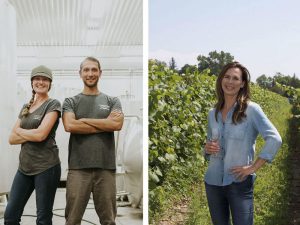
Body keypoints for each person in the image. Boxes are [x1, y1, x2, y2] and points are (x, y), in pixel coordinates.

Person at [204, 61, 282, 225]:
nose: (230, 82)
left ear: (242, 84)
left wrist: (253, 167)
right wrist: (207, 148)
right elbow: (208, 144)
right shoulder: (213, 113)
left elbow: (274, 138)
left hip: (238, 182)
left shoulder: (251, 110)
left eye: (235, 78)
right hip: (213, 182)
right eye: (226, 77)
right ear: (221, 80)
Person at [62, 56, 124, 225]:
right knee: (72, 220)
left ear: (100, 73)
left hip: (106, 168)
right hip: (78, 169)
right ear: (80, 73)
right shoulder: (71, 101)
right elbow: (69, 126)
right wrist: (105, 124)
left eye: (94, 70)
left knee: (108, 220)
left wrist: (82, 121)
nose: (90, 73)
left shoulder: (112, 101)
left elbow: (117, 124)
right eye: (86, 70)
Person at [4, 65, 61, 225]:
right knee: (10, 215)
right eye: (37, 78)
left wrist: (22, 132)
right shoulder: (26, 107)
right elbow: (11, 138)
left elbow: (41, 135)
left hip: (47, 167)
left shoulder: (53, 104)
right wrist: (32, 134)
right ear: (32, 82)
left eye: (45, 79)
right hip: (24, 167)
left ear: (50, 83)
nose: (40, 82)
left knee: (43, 218)